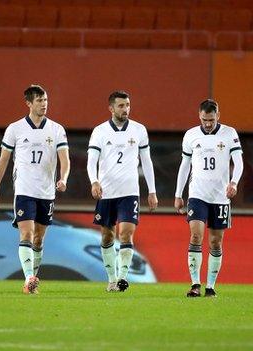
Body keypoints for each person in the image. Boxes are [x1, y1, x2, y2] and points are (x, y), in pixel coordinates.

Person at [0, 85, 70, 295]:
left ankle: (31, 280)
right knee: (26, 233)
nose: (44, 104)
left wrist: (63, 178)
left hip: (47, 192)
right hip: (24, 190)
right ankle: (29, 278)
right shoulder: (15, 129)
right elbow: (3, 160)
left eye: (46, 100)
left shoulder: (57, 129)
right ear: (29, 103)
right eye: (40, 101)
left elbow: (65, 159)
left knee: (39, 239)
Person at [86, 90, 158, 292]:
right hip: (107, 192)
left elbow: (147, 161)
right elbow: (91, 161)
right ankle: (111, 279)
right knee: (107, 237)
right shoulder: (100, 131)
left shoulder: (139, 130)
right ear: (111, 108)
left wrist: (151, 191)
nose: (125, 109)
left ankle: (122, 278)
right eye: (120, 106)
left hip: (129, 192)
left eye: (127, 105)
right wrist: (94, 181)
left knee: (126, 234)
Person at [174, 99, 243, 298]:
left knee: (216, 242)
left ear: (218, 116)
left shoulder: (229, 134)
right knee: (196, 236)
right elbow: (184, 165)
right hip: (197, 194)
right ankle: (195, 284)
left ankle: (210, 286)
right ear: (199, 116)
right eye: (205, 120)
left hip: (220, 196)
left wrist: (234, 183)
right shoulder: (191, 135)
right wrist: (179, 194)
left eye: (211, 120)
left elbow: (238, 162)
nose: (208, 124)